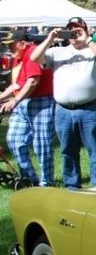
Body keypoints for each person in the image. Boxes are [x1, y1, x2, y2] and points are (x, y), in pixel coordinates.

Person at [30, 17, 96, 189]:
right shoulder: (57, 52)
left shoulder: (93, 50)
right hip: (64, 111)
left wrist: (87, 40)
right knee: (68, 151)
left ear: (85, 30)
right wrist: (50, 39)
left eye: (78, 30)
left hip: (91, 109)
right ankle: (72, 185)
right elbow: (34, 57)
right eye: (71, 30)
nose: (74, 34)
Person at [0, 29, 55, 186]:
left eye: (11, 46)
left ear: (23, 44)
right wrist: (2, 97)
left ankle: (46, 182)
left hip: (42, 103)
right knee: (14, 139)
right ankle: (30, 178)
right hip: (24, 103)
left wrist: (14, 100)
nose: (9, 50)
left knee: (41, 144)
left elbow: (33, 81)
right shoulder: (19, 58)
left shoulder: (32, 54)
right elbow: (18, 83)